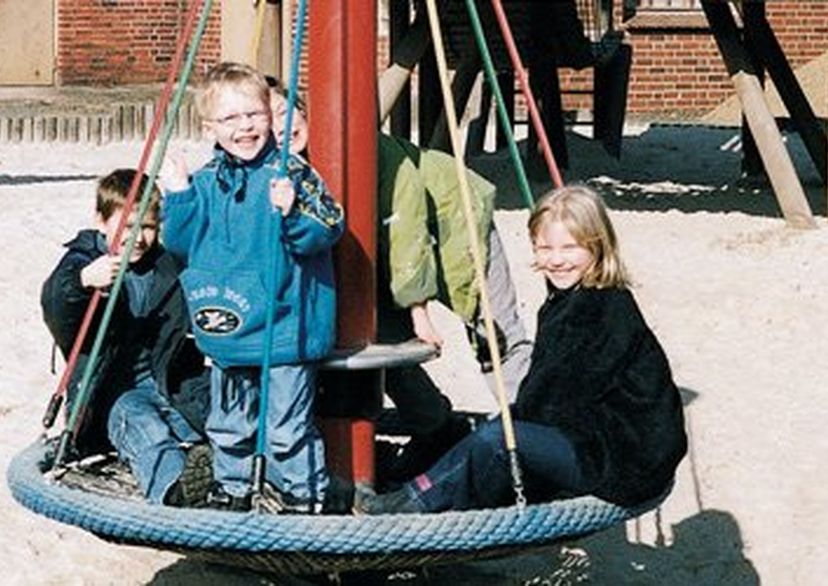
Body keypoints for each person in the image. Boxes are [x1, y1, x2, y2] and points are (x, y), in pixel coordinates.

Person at [356, 185, 688, 513]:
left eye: (570, 248)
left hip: (626, 457)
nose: (556, 261)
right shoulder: (569, 300)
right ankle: (420, 490)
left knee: (498, 440)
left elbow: (556, 399)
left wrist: (510, 424)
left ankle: (411, 504)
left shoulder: (601, 308)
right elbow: (549, 385)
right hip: (598, 435)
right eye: (544, 248)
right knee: (492, 432)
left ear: (598, 247)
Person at [267, 83, 533, 484]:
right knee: (378, 337)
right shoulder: (289, 169)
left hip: (453, 216)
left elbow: (405, 224)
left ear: (305, 110)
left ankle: (528, 433)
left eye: (284, 113)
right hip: (382, 249)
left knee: (491, 328)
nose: (280, 128)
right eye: (266, 121)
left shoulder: (366, 151)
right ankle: (436, 427)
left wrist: (419, 309)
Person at [161, 62, 345, 513]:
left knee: (285, 426)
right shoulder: (204, 183)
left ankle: (304, 498)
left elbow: (329, 229)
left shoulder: (293, 176)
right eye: (231, 119)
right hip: (229, 328)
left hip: (284, 330)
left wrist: (294, 211)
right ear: (209, 129)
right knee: (228, 423)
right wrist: (179, 195)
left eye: (254, 115)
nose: (245, 127)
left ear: (270, 115)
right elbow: (180, 245)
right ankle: (234, 489)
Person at [41, 168, 212, 507]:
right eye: (127, 226)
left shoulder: (166, 264)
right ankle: (174, 489)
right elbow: (57, 305)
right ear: (100, 222)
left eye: (147, 227)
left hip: (168, 383)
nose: (138, 237)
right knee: (143, 427)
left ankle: (226, 465)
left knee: (220, 407)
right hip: (111, 396)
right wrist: (82, 282)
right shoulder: (85, 261)